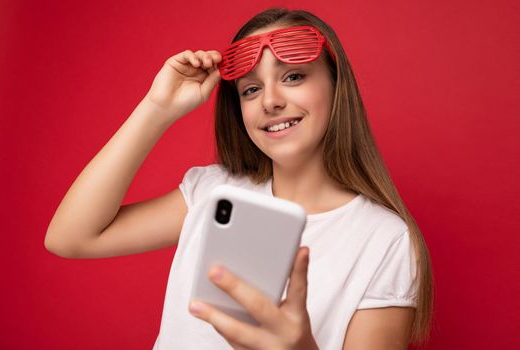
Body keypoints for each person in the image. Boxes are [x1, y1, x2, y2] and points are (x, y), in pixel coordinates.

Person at [44, 7, 433, 350]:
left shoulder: (385, 239)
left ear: (336, 87)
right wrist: (157, 108)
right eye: (250, 89)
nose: (270, 100)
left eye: (294, 76)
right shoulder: (213, 193)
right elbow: (71, 237)